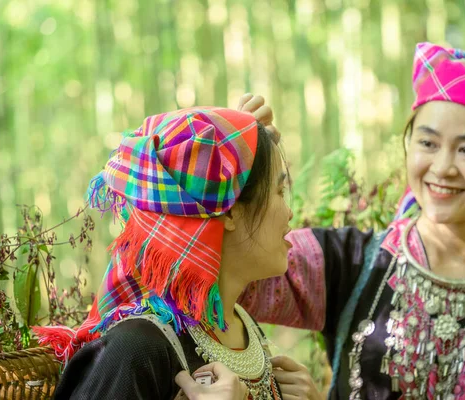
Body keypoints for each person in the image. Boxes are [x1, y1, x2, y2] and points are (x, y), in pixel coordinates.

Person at [238, 43, 465, 399]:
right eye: (428, 143)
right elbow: (220, 274)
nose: (442, 168)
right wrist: (241, 165)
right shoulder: (344, 263)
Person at [33, 106, 321, 400]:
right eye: (279, 192)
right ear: (230, 211)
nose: (289, 212)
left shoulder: (243, 327)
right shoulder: (135, 348)